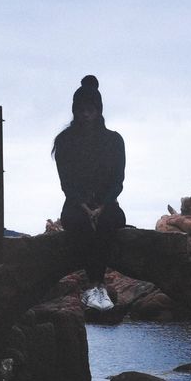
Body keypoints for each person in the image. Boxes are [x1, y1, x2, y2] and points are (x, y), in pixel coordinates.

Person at [53, 75, 125, 309]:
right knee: (82, 224)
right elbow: (67, 183)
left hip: (108, 205)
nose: (86, 114)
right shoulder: (64, 141)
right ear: (75, 111)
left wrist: (102, 206)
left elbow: (118, 180)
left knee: (107, 222)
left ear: (98, 110)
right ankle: (94, 287)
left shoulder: (114, 141)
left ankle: (98, 286)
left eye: (90, 109)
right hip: (76, 206)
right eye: (81, 109)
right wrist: (85, 207)